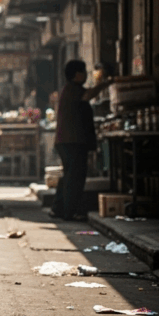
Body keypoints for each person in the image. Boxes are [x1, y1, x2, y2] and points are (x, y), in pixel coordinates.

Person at [51, 60, 114, 221]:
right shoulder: (73, 89)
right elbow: (88, 95)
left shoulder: (71, 89)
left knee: (69, 175)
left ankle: (59, 209)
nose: (86, 74)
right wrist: (105, 83)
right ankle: (69, 212)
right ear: (77, 74)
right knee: (75, 177)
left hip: (67, 141)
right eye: (84, 71)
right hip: (72, 141)